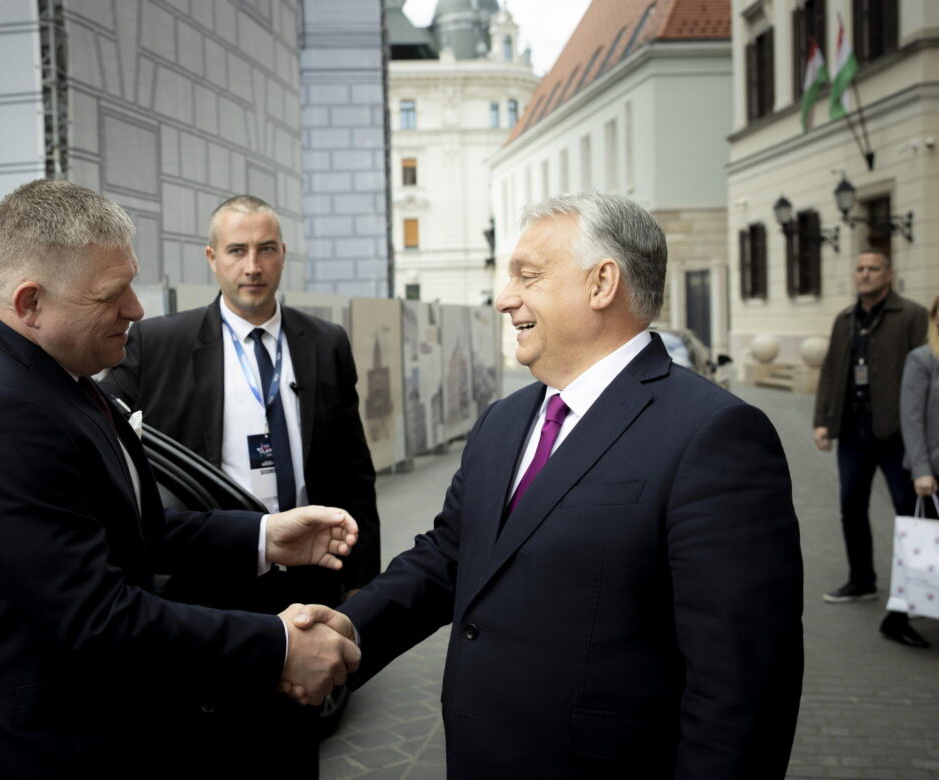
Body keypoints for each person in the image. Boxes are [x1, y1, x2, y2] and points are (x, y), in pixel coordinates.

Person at [294, 193, 805, 778]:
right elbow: (451, 555)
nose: (504, 298)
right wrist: (352, 627)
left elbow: (741, 688)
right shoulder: (503, 420)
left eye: (528, 276)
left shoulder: (715, 435)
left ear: (601, 283)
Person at [0, 179, 360, 779]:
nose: (135, 309)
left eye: (131, 284)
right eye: (110, 295)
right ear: (30, 303)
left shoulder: (62, 379)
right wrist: (277, 645)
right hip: (38, 755)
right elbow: (94, 618)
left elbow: (137, 532)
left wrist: (263, 536)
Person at [99, 194, 380, 777]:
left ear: (283, 255)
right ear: (212, 258)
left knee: (293, 744)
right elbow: (100, 443)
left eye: (266, 249)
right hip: (206, 582)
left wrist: (361, 581)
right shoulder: (157, 344)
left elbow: (353, 467)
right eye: (237, 251)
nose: (252, 266)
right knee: (210, 746)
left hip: (308, 577)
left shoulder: (326, 343)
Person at [813, 249, 928, 604]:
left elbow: (926, 372)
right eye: (860, 268)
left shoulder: (912, 315)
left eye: (873, 269)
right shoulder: (845, 318)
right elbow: (831, 370)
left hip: (898, 432)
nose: (865, 274)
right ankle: (861, 581)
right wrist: (822, 421)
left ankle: (919, 589)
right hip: (853, 429)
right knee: (851, 506)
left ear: (888, 274)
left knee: (910, 511)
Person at [881, 293, 939, 648]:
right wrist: (921, 470)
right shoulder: (923, 359)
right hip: (930, 474)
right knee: (920, 546)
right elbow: (912, 418)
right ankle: (897, 619)